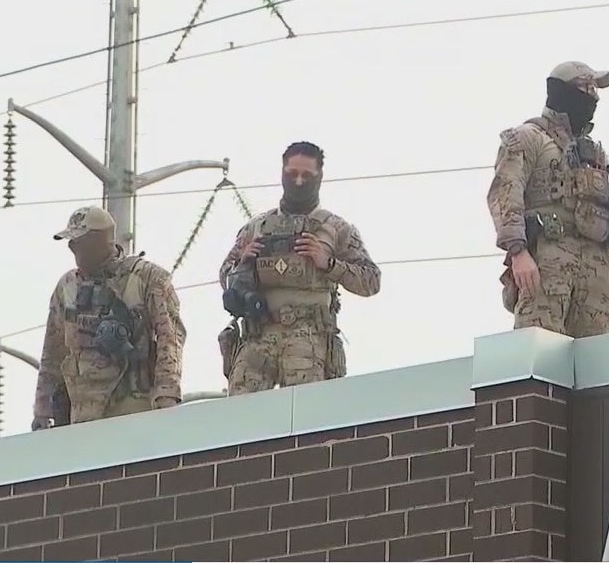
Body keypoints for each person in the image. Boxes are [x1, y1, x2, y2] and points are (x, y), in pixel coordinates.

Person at [487, 61, 609, 337]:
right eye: (586, 87)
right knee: (540, 347)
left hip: (597, 272)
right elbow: (505, 194)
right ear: (562, 91)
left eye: (595, 89)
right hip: (548, 262)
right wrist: (518, 252)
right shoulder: (527, 138)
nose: (593, 96)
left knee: (600, 355)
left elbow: (604, 218)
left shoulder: (593, 154)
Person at [218, 141, 380, 395]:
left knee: (307, 413)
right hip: (257, 339)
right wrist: (243, 263)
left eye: (307, 175)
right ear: (282, 173)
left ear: (319, 177)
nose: (299, 181)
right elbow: (224, 276)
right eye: (292, 174)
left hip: (308, 342)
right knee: (241, 413)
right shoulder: (256, 227)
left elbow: (371, 281)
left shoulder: (336, 229)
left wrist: (328, 264)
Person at [32, 206, 185, 430]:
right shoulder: (67, 287)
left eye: (81, 242)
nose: (73, 248)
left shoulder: (146, 278)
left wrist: (166, 396)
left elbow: (170, 338)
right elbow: (52, 352)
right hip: (82, 413)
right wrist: (43, 409)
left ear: (102, 241)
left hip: (133, 408)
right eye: (72, 243)